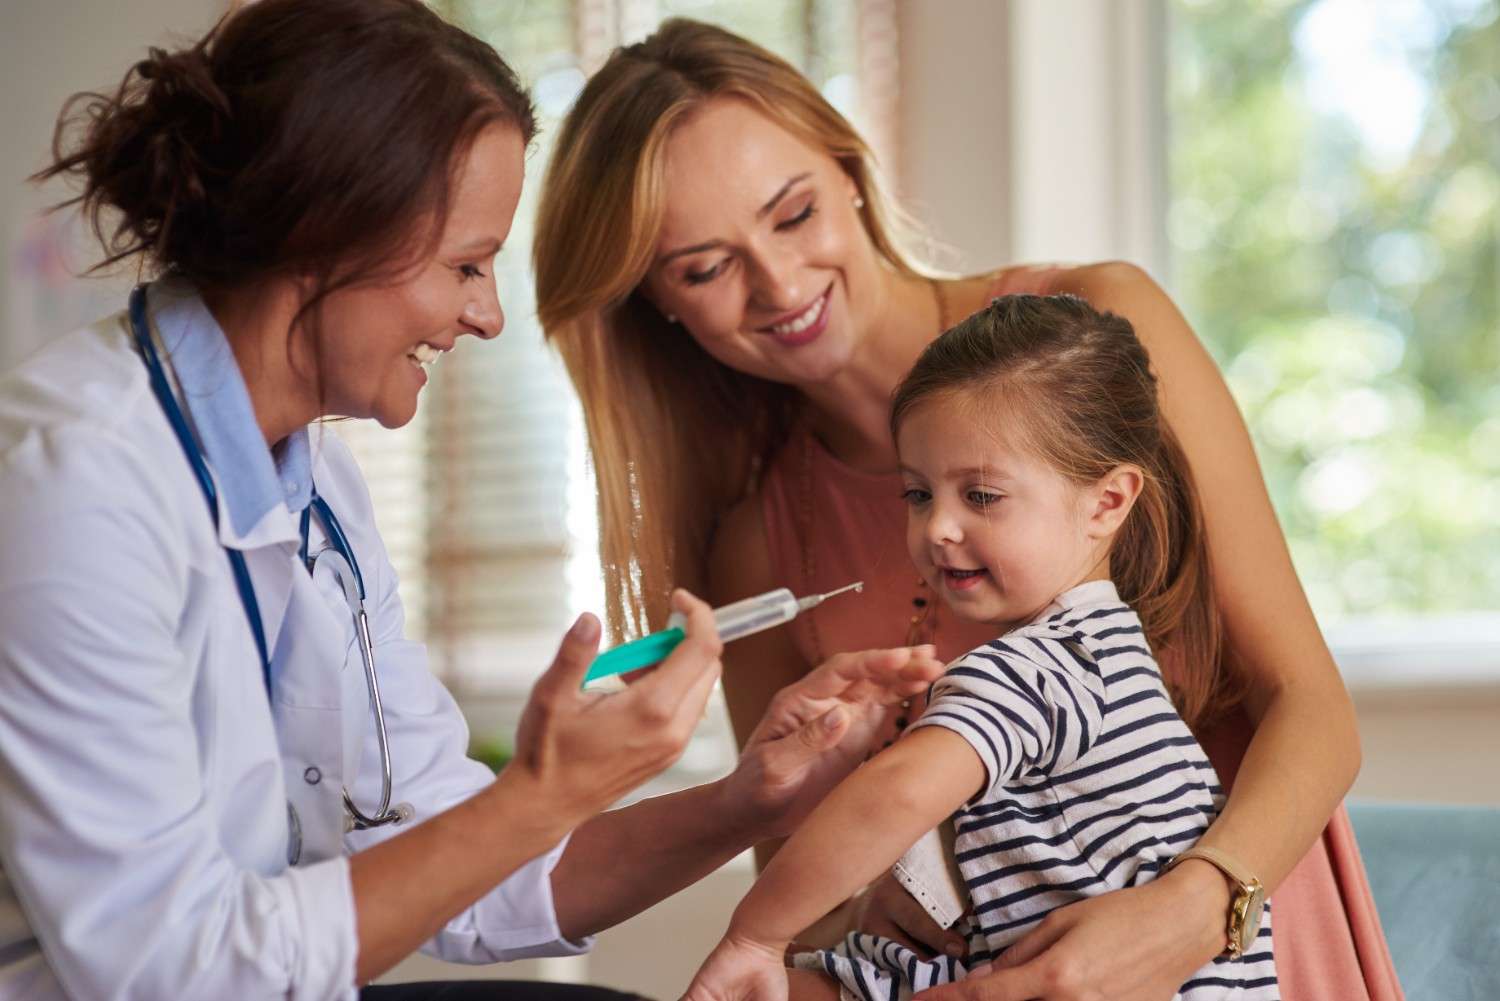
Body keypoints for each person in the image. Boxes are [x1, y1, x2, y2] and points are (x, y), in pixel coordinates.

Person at [0, 4, 945, 999]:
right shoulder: (74, 486)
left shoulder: (318, 488)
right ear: (325, 234)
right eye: (465, 266)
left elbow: (473, 876)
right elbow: (165, 967)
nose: (488, 315)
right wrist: (542, 794)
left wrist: (748, 801)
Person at [533, 19, 1401, 1001]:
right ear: (658, 308)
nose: (778, 284)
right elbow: (804, 891)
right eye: (704, 267)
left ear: (849, 170)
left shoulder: (1099, 328)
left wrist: (1196, 909)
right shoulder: (757, 540)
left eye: (792, 211)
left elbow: (1315, 710)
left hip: (1252, 938)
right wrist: (873, 898)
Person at [684, 294, 1279, 1001]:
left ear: (1108, 501)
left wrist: (757, 935)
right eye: (917, 494)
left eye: (983, 496)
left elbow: (896, 793)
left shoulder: (1037, 666)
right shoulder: (1113, 652)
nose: (938, 526)